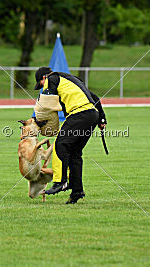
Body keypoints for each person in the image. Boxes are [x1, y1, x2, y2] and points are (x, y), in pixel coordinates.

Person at [33, 67, 107, 204]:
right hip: (92, 114)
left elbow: (45, 101)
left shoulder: (52, 78)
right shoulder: (72, 80)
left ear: (44, 78)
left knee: (60, 144)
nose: (42, 87)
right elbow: (95, 97)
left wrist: (35, 119)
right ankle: (77, 191)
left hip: (80, 114)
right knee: (74, 152)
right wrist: (102, 119)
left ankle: (60, 181)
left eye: (41, 84)